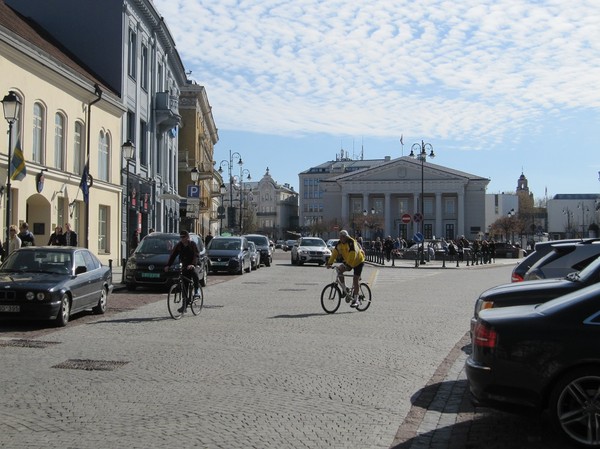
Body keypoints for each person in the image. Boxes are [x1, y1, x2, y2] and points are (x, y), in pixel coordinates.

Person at [326, 229, 365, 308]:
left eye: (343, 237)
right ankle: (345, 288)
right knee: (339, 270)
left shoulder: (351, 242)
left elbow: (353, 253)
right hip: (348, 261)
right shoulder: (339, 244)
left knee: (355, 279)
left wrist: (348, 265)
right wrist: (329, 263)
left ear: (346, 237)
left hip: (358, 261)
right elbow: (334, 254)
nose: (341, 238)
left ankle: (356, 300)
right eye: (340, 237)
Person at [164, 230, 201, 312]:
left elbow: (196, 255)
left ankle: (196, 291)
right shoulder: (179, 245)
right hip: (185, 265)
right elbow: (173, 255)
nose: (182, 238)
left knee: (194, 273)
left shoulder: (192, 244)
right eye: (181, 237)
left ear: (187, 237)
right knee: (184, 284)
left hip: (194, 264)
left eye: (183, 237)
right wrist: (168, 265)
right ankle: (184, 306)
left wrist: (193, 264)